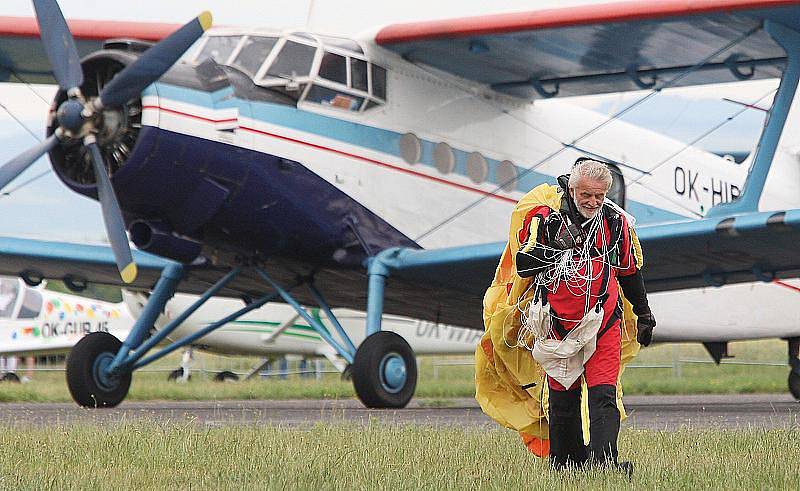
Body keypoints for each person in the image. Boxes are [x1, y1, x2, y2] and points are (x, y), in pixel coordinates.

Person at [514, 158, 656, 475]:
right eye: (586, 195)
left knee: (603, 395)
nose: (592, 202)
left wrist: (644, 313)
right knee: (563, 399)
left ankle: (604, 464)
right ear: (573, 189)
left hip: (602, 321)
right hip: (557, 325)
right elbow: (524, 264)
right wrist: (554, 249)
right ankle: (566, 463)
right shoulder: (545, 219)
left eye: (599, 196)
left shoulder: (615, 225)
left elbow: (630, 271)